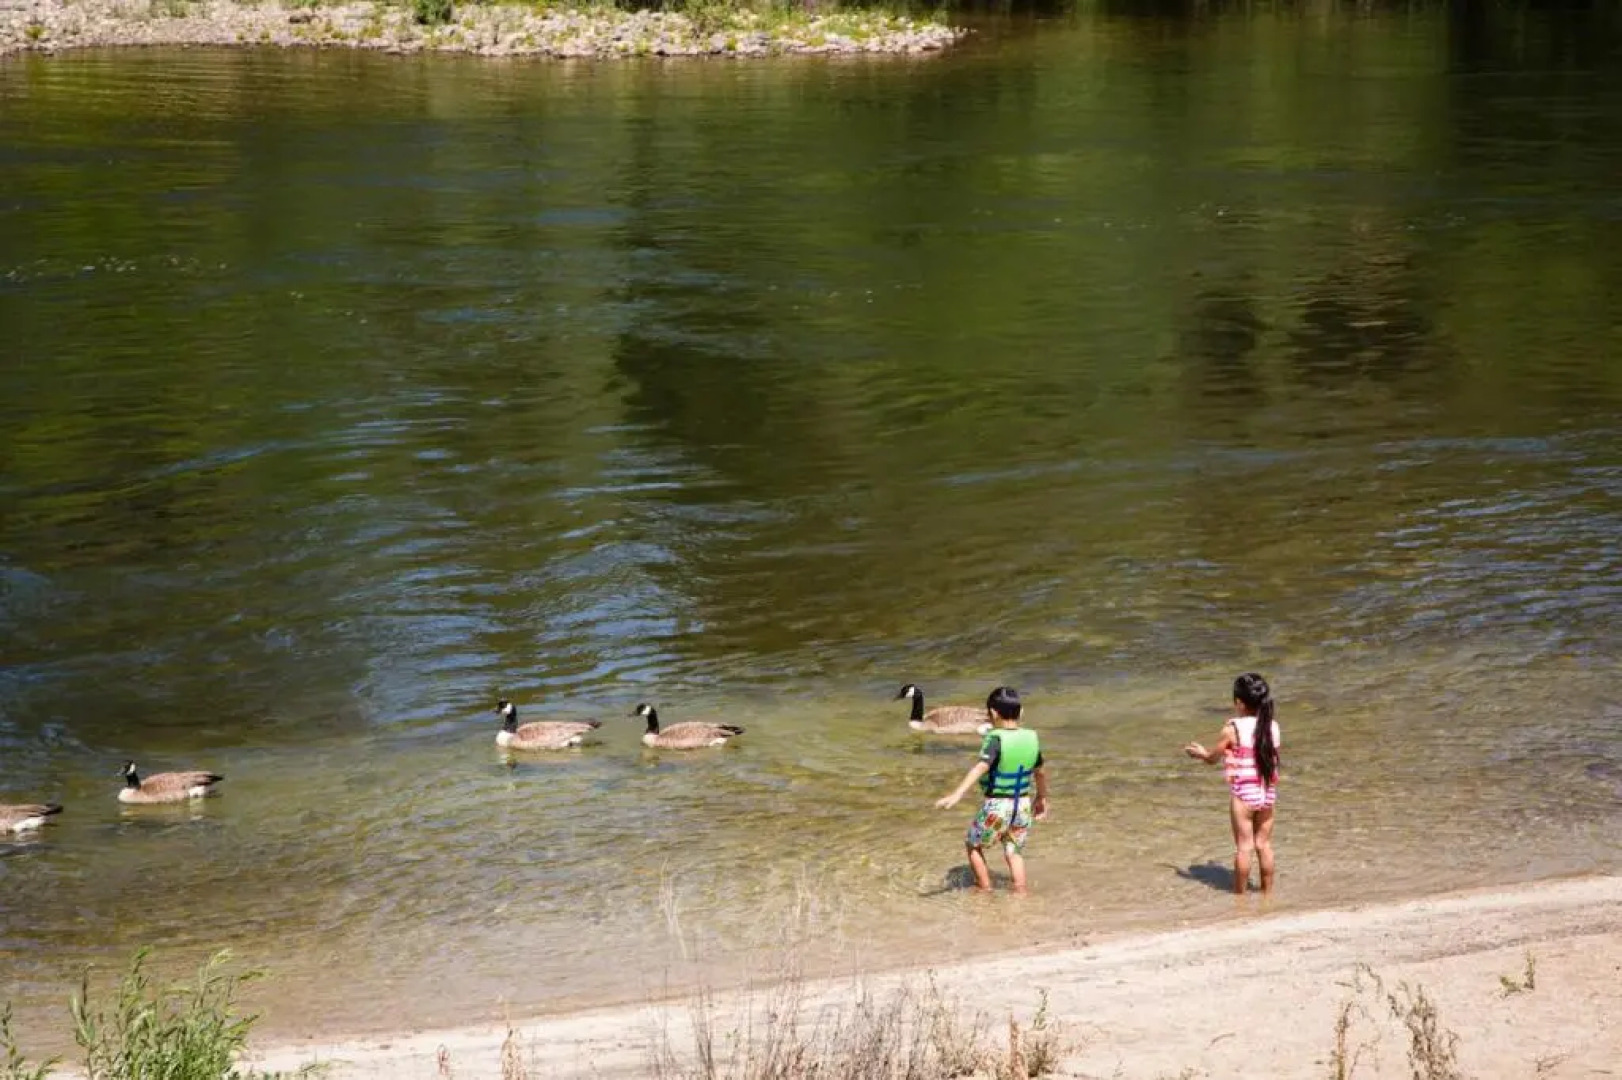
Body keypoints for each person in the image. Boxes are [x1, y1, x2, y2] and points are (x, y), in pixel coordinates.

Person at [934, 686, 1049, 894]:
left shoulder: (996, 739)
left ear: (993, 713)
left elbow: (981, 767)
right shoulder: (1031, 738)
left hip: (998, 806)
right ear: (1021, 712)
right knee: (1014, 851)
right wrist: (1041, 798)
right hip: (1022, 804)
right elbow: (1040, 772)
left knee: (973, 844)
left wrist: (957, 794)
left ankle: (984, 888)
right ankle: (1021, 892)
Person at [1183, 672, 1282, 896]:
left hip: (1244, 795)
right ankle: (1267, 894)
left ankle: (1240, 898)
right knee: (1264, 845)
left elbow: (1212, 758)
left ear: (1239, 702)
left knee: (1244, 847)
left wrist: (1201, 753)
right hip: (1267, 792)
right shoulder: (1273, 727)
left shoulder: (1232, 729)